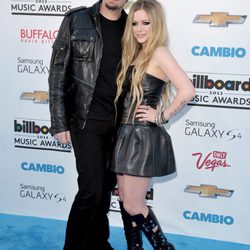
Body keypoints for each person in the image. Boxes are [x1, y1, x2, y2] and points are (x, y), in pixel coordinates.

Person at [112, 0, 196, 249]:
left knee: (132, 204)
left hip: (142, 137)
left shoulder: (159, 52)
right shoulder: (134, 52)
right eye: (135, 23)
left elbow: (187, 90)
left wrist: (160, 116)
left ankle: (163, 247)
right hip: (125, 135)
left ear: (156, 24)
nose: (139, 28)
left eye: (146, 23)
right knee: (126, 200)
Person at [48, 0, 129, 249]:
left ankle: (98, 243)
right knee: (90, 191)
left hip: (119, 124)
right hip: (85, 121)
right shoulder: (77, 19)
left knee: (104, 189)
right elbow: (58, 72)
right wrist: (59, 122)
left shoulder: (132, 26)